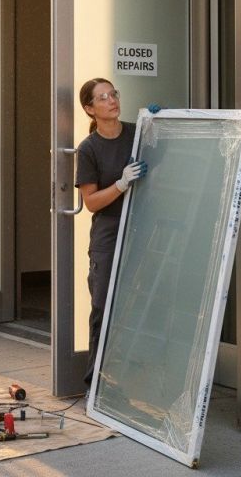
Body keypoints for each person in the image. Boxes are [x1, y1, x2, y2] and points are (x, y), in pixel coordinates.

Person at [75, 78, 148, 385]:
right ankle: (96, 383)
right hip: (108, 233)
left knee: (136, 306)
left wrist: (159, 121)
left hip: (141, 229)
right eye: (102, 98)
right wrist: (120, 184)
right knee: (103, 306)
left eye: (113, 94)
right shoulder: (89, 149)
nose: (111, 100)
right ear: (90, 109)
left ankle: (127, 381)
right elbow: (91, 202)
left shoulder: (137, 133)